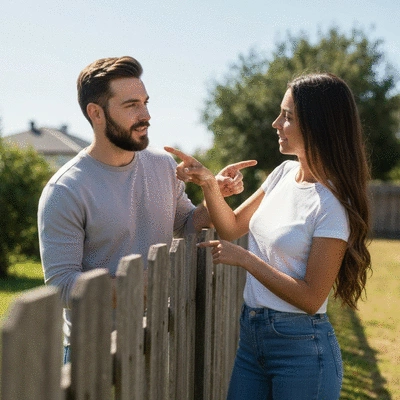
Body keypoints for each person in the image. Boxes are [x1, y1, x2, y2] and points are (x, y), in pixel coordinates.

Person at [165, 72, 372, 400]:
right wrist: (207, 183)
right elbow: (232, 226)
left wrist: (246, 259)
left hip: (301, 350)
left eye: (287, 117)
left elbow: (311, 298)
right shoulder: (283, 174)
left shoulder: (333, 205)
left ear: (317, 125)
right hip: (252, 336)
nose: (276, 123)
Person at [37, 56, 257, 364]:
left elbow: (187, 223)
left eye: (145, 102)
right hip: (96, 354)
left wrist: (212, 190)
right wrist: (135, 286)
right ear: (96, 113)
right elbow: (61, 286)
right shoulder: (66, 190)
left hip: (159, 337)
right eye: (131, 106)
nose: (146, 115)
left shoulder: (162, 165)